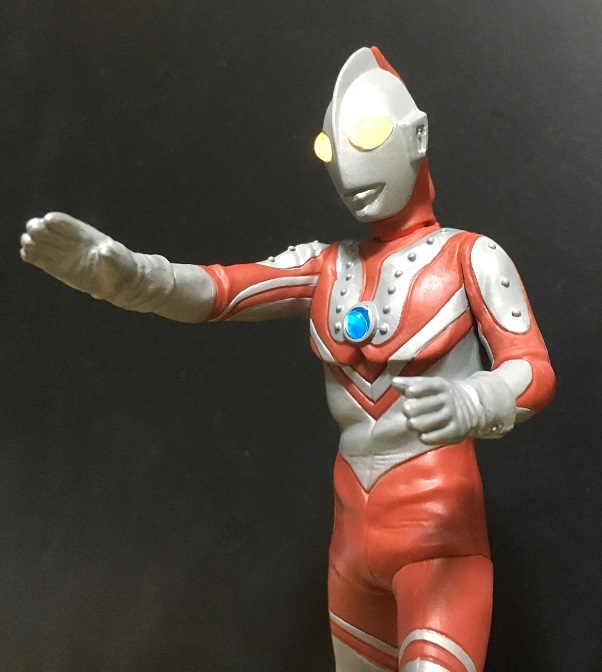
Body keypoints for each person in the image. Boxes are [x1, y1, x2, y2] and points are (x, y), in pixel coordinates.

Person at [20, 47, 555, 672]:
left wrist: (474, 399)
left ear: (417, 136)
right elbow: (221, 289)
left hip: (439, 540)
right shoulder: (325, 265)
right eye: (330, 148)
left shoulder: (471, 258)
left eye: (368, 135)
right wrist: (135, 278)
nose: (348, 163)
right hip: (351, 543)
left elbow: (533, 369)